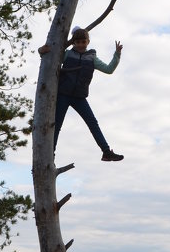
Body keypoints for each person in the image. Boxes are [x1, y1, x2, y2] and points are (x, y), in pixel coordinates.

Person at [38, 27, 124, 161]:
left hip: (80, 97)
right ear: (73, 43)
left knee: (93, 123)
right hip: (63, 95)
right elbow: (49, 56)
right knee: (57, 125)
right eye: (77, 42)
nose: (80, 45)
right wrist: (40, 51)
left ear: (88, 42)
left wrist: (117, 54)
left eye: (83, 42)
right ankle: (50, 155)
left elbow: (109, 69)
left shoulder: (92, 58)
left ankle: (106, 152)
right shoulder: (66, 54)